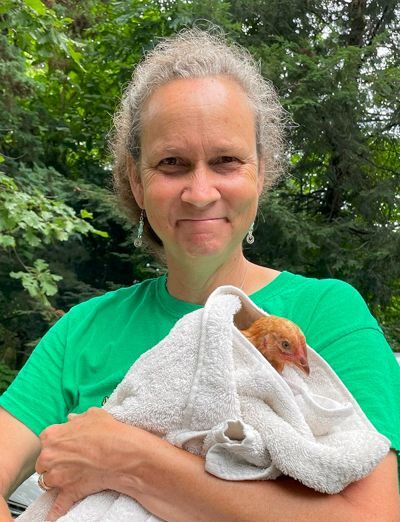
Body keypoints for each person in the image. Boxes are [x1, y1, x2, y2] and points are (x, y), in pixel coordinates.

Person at [0, 28, 399, 522]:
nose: (199, 191)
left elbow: (372, 517)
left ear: (262, 171)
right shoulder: (82, 331)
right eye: (172, 163)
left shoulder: (326, 313)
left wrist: (128, 460)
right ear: (136, 182)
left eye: (226, 160)